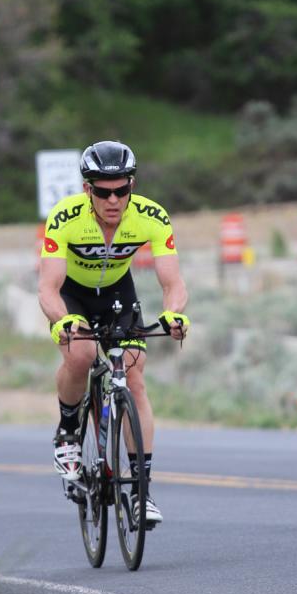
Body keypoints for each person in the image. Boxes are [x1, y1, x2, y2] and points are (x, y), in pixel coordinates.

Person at [37, 140, 189, 526]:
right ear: (87, 189)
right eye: (103, 192)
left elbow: (173, 281)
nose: (113, 200)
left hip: (118, 296)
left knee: (134, 374)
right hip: (73, 295)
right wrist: (62, 321)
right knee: (82, 355)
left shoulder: (151, 217)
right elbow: (48, 288)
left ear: (131, 186)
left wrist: (173, 313)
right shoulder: (65, 218)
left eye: (122, 190)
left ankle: (140, 494)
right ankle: (69, 433)